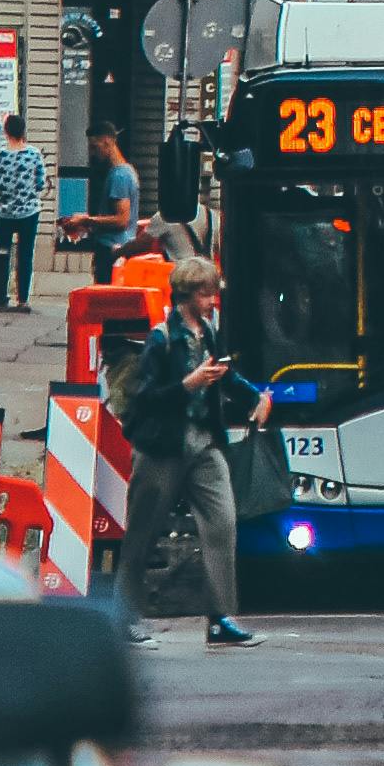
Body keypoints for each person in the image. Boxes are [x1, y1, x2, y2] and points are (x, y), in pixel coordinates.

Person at [118, 256, 253, 642]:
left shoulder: (208, 331)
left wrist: (254, 396)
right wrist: (187, 385)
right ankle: (122, 616)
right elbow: (144, 399)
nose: (213, 300)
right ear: (188, 295)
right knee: (143, 531)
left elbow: (225, 373)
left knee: (222, 521)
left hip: (203, 441)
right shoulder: (161, 338)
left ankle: (221, 616)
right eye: (207, 293)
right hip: (163, 446)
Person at [0, 124, 50, 310]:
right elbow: (39, 184)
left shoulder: (0, 155)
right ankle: (23, 299)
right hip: (29, 212)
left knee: (3, 254)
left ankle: (0, 297)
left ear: (6, 132)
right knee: (25, 254)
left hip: (3, 212)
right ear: (24, 131)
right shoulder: (34, 154)